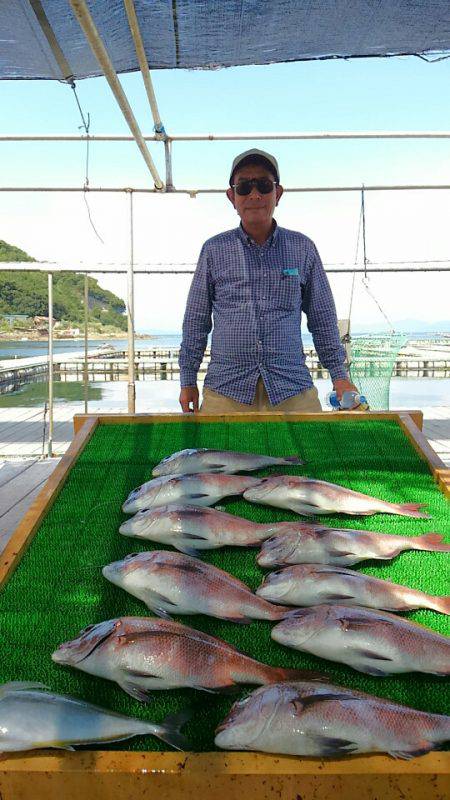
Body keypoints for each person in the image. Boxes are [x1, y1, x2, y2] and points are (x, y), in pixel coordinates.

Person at [179, 148, 358, 413]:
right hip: (226, 391)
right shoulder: (213, 250)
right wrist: (187, 380)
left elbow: (322, 318)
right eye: (244, 187)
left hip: (292, 387)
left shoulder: (303, 248)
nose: (254, 194)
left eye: (263, 185)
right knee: (217, 455)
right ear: (231, 196)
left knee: (308, 455)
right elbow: (196, 320)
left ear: (278, 193)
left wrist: (340, 377)